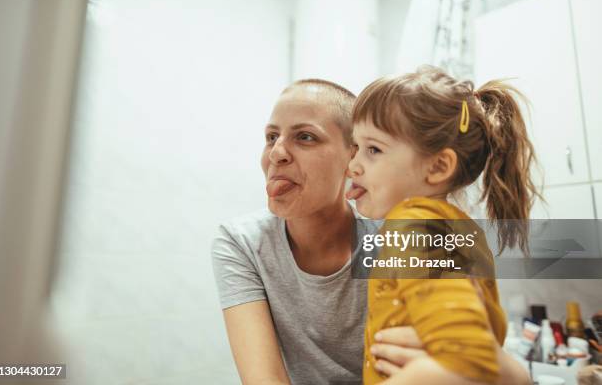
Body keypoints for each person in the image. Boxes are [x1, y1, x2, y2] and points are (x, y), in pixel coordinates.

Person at [211, 78, 530, 385]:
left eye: (305, 136)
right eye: (270, 137)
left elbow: (471, 356)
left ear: (348, 158)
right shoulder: (241, 242)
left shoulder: (408, 230)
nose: (276, 153)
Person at [347, 66, 539, 384]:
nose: (353, 165)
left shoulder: (413, 225)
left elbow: (466, 360)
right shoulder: (456, 228)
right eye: (356, 147)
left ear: (438, 166)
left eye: (373, 150)